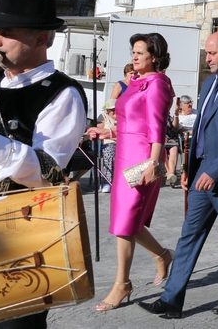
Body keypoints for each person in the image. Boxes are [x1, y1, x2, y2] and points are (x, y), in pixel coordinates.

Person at [0, 0, 87, 329]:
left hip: (22, 233)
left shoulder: (61, 93)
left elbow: (47, 173)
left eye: (7, 33)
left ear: (41, 38)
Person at [138, 32, 218, 319]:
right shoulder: (207, 84)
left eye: (212, 54)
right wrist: (189, 171)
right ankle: (171, 299)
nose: (207, 59)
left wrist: (215, 171)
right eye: (206, 54)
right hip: (200, 176)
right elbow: (201, 129)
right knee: (188, 237)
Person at [88, 32, 175, 313]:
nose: (134, 57)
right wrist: (107, 131)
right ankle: (163, 256)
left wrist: (152, 163)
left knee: (125, 221)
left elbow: (157, 126)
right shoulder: (135, 82)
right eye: (133, 52)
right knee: (127, 220)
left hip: (142, 157)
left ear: (154, 57)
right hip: (126, 152)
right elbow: (129, 120)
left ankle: (121, 283)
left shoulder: (158, 84)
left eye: (139, 52)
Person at [97, 99, 118, 193]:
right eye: (112, 109)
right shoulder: (103, 117)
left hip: (122, 142)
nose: (114, 111)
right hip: (108, 142)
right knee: (110, 151)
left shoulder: (123, 116)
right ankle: (107, 182)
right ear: (107, 110)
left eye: (115, 109)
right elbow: (98, 132)